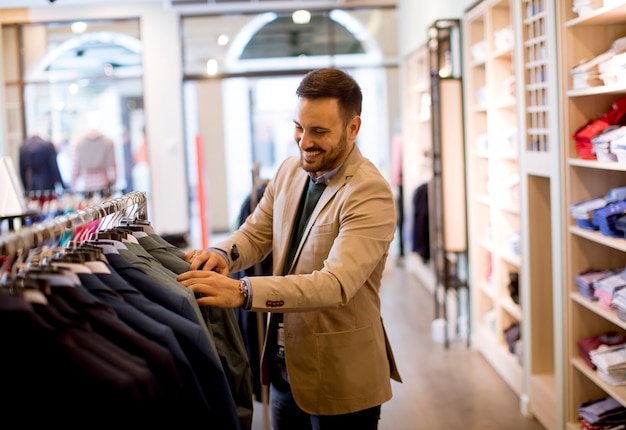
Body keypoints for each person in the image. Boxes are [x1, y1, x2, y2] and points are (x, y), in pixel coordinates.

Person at [177, 67, 402, 430]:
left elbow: (335, 284)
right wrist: (221, 254)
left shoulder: (369, 192)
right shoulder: (288, 172)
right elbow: (255, 234)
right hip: (284, 371)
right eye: (299, 127)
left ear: (353, 128)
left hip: (342, 379)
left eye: (318, 131)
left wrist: (243, 291)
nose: (304, 142)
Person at [70, 128, 117, 198]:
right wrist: (113, 181)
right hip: (104, 183)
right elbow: (112, 167)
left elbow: (75, 167)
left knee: (89, 208)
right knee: (105, 207)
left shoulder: (78, 142)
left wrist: (73, 185)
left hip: (86, 185)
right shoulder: (108, 141)